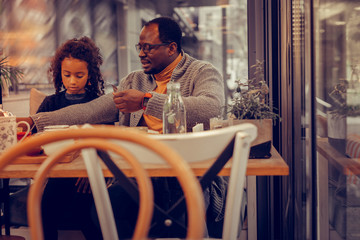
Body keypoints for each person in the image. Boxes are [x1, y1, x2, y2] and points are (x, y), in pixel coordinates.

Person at [26, 17, 226, 238]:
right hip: (138, 177)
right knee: (104, 212)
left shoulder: (202, 72)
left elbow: (211, 107)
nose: (141, 53)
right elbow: (90, 110)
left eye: (148, 47)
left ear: (171, 48)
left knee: (181, 223)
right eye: (139, 47)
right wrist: (33, 122)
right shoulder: (133, 81)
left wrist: (145, 102)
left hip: (189, 176)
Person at [38, 36, 105, 240]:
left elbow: (107, 141)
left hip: (87, 177)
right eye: (67, 75)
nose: (72, 81)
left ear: (90, 74)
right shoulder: (50, 104)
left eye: (79, 75)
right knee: (44, 215)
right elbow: (37, 139)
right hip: (57, 174)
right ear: (59, 74)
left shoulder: (99, 104)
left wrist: (90, 170)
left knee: (87, 216)